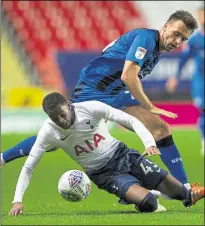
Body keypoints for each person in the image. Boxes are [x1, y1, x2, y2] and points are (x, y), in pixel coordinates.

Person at [1, 10, 200, 191]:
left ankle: (185, 187)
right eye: (176, 33)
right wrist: (150, 106)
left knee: (160, 129)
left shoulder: (156, 49)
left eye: (183, 38)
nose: (177, 41)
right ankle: (3, 158)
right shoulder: (146, 38)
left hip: (114, 93)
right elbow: (128, 76)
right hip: (93, 90)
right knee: (55, 140)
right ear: (165, 26)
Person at [8, 92, 205, 216]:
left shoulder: (91, 108)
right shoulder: (48, 132)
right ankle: (136, 196)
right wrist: (17, 200)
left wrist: (149, 143)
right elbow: (29, 167)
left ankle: (154, 191)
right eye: (55, 118)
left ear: (68, 105)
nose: (61, 121)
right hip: (104, 174)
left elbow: (130, 120)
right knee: (149, 204)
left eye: (62, 114)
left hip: (124, 155)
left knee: (184, 194)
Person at [166, 6, 204, 155]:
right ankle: (204, 140)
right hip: (201, 81)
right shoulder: (195, 40)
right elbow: (183, 59)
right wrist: (175, 77)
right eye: (201, 15)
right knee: (203, 109)